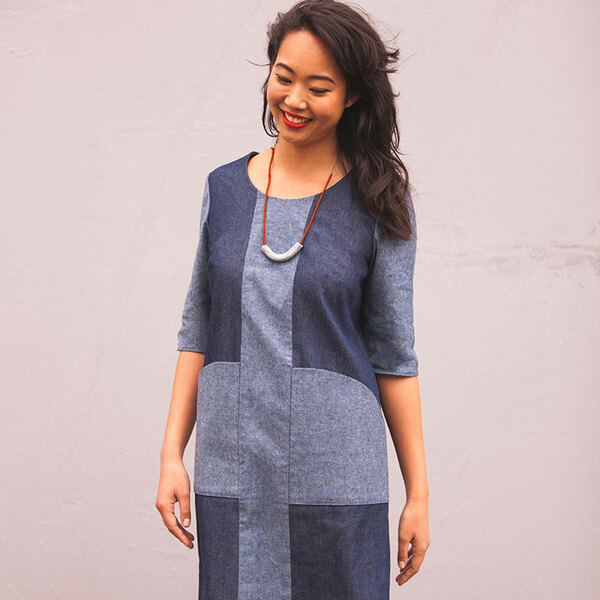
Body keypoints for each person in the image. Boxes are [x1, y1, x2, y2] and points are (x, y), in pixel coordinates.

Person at [155, 0, 430, 597]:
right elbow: (197, 330)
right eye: (284, 77)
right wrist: (172, 454)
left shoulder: (380, 201)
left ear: (352, 96)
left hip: (337, 472)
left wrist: (419, 494)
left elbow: (394, 356)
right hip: (232, 465)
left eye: (319, 87)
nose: (295, 99)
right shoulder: (223, 189)